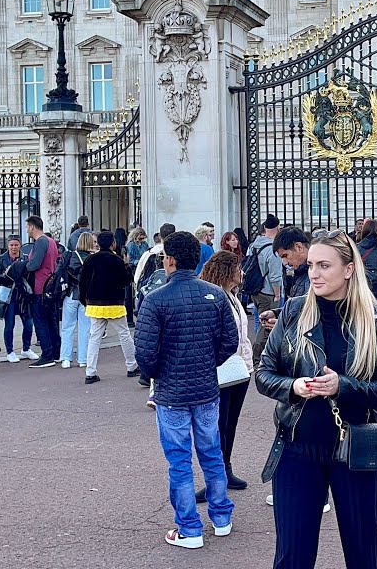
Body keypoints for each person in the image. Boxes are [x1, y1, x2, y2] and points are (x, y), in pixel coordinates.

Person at [255, 228, 377, 569]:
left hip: (359, 447)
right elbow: (263, 374)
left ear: (349, 269)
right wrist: (294, 386)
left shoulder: (374, 318)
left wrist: (342, 386)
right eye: (311, 265)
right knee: (292, 555)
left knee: (364, 550)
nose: (314, 274)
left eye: (324, 266)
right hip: (297, 446)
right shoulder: (293, 311)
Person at [135, 231, 238, 550]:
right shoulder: (215, 294)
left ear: (169, 259)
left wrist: (157, 374)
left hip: (172, 392)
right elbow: (229, 341)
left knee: (179, 460)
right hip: (206, 387)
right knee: (212, 452)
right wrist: (209, 362)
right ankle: (221, 517)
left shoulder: (156, 299)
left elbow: (145, 353)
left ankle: (190, 528)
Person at [193, 251, 252, 500]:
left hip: (241, 367)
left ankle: (225, 469)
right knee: (218, 426)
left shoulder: (232, 296)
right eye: (238, 268)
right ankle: (214, 477)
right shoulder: (213, 298)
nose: (242, 272)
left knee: (230, 424)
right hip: (221, 369)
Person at [78, 231, 138, 384]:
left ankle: (90, 372)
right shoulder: (117, 260)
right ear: (113, 244)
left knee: (94, 338)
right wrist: (127, 265)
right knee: (124, 335)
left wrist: (85, 301)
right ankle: (132, 366)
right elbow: (126, 281)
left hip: (95, 304)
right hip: (114, 304)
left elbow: (82, 282)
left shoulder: (90, 260)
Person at [246, 215, 286, 366]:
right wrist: (277, 294)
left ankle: (261, 354)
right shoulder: (272, 247)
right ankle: (258, 357)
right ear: (277, 228)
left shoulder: (254, 245)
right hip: (269, 291)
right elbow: (275, 276)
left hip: (255, 289)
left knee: (259, 321)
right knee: (267, 325)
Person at [0, 235, 38, 363]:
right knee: (9, 325)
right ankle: (10, 351)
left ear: (20, 245)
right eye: (11, 245)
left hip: (23, 295)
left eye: (16, 245)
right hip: (9, 295)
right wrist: (6, 274)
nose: (14, 247)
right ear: (8, 246)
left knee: (28, 323)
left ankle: (26, 348)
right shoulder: (1, 259)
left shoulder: (25, 258)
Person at [24, 215, 62, 367]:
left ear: (32, 227)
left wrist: (23, 266)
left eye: (27, 227)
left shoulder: (40, 242)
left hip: (40, 286)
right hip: (50, 286)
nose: (27, 230)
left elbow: (34, 264)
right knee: (51, 321)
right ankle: (55, 351)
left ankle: (47, 354)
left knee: (40, 321)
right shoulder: (51, 241)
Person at [59, 231, 95, 369]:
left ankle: (66, 358)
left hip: (71, 294)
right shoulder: (93, 258)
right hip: (86, 296)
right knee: (85, 328)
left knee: (67, 327)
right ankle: (83, 359)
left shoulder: (70, 256)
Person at [273, 226, 311, 298]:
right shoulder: (301, 272)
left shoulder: (314, 275)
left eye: (285, 255)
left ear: (299, 247)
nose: (285, 263)